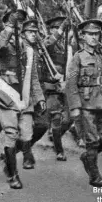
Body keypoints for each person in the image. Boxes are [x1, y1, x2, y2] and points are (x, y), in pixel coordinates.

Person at [0, 16, 45, 190]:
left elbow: (34, 78)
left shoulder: (32, 52)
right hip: (7, 98)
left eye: (36, 33)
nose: (34, 35)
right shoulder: (8, 46)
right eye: (30, 32)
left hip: (26, 99)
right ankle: (12, 174)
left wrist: (40, 98)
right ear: (22, 33)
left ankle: (8, 161)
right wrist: (9, 26)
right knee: (11, 134)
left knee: (26, 136)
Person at [66, 19, 102, 188]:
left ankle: (88, 156)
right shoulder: (78, 57)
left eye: (96, 34)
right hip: (86, 102)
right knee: (92, 140)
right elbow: (71, 83)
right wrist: (74, 107)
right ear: (83, 37)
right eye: (90, 34)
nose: (94, 37)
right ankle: (94, 176)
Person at [42, 16, 72, 161]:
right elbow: (49, 44)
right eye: (55, 28)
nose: (58, 31)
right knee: (56, 118)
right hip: (52, 86)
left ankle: (55, 136)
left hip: (67, 86)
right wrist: (60, 31)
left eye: (59, 27)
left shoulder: (67, 44)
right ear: (50, 29)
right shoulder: (46, 43)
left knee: (69, 119)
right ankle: (59, 150)